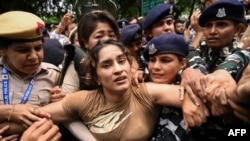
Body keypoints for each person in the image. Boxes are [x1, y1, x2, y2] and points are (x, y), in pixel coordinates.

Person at [33, 39, 199, 141]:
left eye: (121, 61)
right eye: (107, 65)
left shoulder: (145, 92)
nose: (118, 69)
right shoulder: (83, 100)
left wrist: (190, 90)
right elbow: (35, 118)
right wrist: (8, 112)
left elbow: (204, 94)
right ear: (96, 77)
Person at [180, 0, 249, 140]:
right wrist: (186, 73)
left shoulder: (243, 60)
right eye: (208, 26)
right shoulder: (200, 53)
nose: (212, 31)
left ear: (238, 29)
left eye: (221, 25)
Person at [55, 10, 121, 141]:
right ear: (85, 42)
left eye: (111, 35)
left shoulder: (126, 61)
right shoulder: (78, 64)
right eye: (99, 36)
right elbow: (67, 113)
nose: (106, 41)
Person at [0, 11, 61, 138]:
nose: (34, 57)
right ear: (2, 50)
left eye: (38, 48)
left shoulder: (54, 75)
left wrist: (62, 101)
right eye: (23, 50)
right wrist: (9, 111)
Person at [142, 33, 208, 141]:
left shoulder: (188, 96)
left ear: (182, 63)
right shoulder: (143, 80)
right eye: (152, 60)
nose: (155, 67)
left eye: (165, 60)